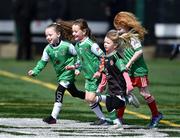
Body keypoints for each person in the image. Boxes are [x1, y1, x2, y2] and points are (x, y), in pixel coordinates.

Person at [28, 22, 86, 124]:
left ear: (58, 34)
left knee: (59, 91)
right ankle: (94, 99)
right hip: (61, 75)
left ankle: (53, 117)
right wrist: (35, 71)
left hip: (68, 73)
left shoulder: (67, 46)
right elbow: (42, 62)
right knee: (75, 93)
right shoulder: (48, 49)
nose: (48, 37)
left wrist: (77, 68)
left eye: (50, 35)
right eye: (46, 35)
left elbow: (79, 56)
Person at [113, 11, 163, 128]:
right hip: (128, 72)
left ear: (125, 24)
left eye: (119, 28)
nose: (117, 30)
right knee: (123, 93)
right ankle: (119, 118)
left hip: (139, 71)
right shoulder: (121, 38)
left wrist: (129, 63)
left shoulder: (133, 37)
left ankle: (156, 115)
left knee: (144, 93)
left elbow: (139, 51)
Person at [66, 19, 107, 125]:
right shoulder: (78, 45)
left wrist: (99, 71)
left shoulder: (90, 44)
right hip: (88, 76)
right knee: (88, 99)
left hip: (96, 75)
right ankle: (103, 119)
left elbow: (103, 56)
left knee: (91, 98)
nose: (73, 33)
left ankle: (117, 100)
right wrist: (74, 68)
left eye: (76, 31)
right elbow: (80, 61)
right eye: (73, 31)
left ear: (84, 32)